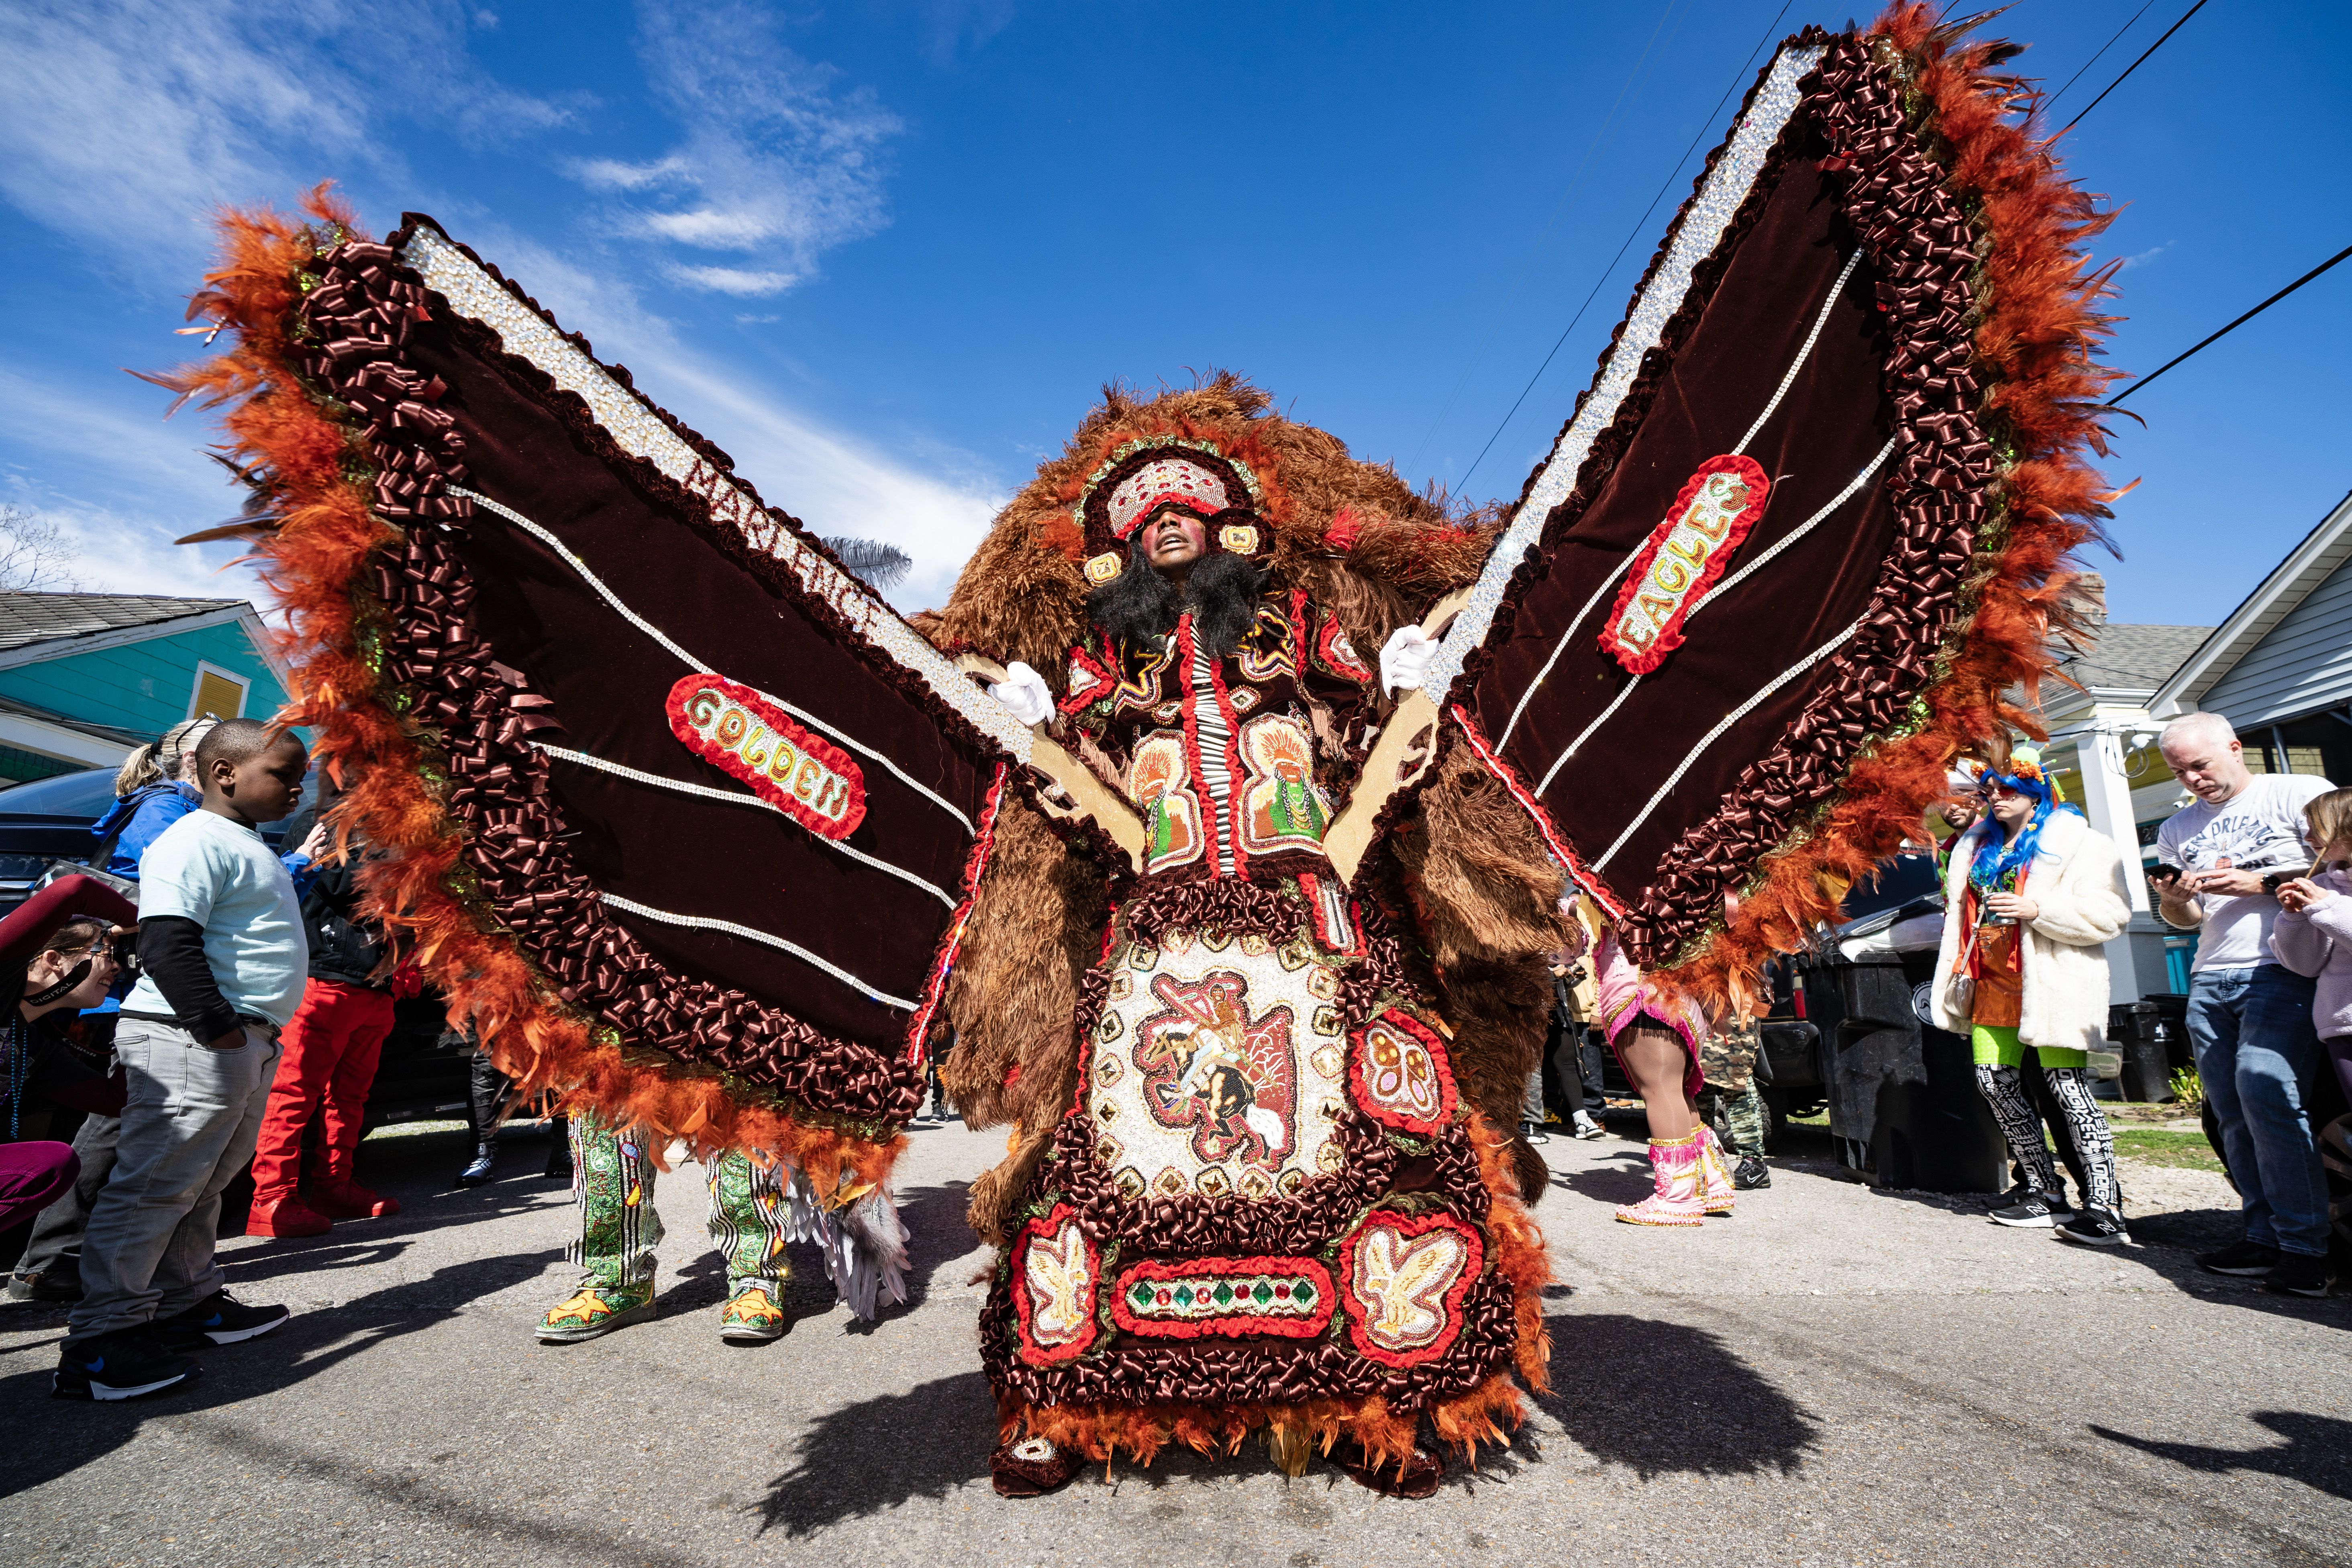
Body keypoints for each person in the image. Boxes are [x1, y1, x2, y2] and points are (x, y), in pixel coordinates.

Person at [947, 393, 1562, 1499]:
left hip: (1318, 922)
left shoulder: (1303, 633)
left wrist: (1404, 690)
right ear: (1117, 555)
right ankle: (1070, 1401)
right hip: (1157, 938)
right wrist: (1037, 732)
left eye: (1183, 513)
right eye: (1142, 525)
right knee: (1098, 1162)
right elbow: (1078, 810)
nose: (1163, 530)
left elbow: (1381, 749)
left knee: (1387, 1149)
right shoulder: (1104, 671)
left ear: (1233, 530)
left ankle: (1383, 1400)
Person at [54, 719, 307, 1401]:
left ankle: (186, 1303)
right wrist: (217, 1028)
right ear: (225, 774)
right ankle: (100, 1343)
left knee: (202, 1184)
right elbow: (168, 942)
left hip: (241, 1040)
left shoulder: (242, 842)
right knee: (155, 1187)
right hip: (192, 1039)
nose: (296, 788)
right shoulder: (192, 840)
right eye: (283, 775)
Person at [9, 720, 222, 1305]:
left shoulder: (169, 807)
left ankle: (54, 1261)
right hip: (146, 987)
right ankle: (52, 1260)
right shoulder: (166, 811)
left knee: (94, 1129)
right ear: (201, 764)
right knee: (105, 1129)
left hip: (129, 999)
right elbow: (102, 890)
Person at [2152, 713, 2336, 1296]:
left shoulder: (2299, 794)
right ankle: (2262, 1236)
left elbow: (2339, 870)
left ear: (2234, 748)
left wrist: (2258, 884)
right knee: (2231, 1111)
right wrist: (2176, 901)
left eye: (2200, 765)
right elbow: (2184, 919)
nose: (2193, 780)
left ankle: (2309, 1250)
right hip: (2210, 973)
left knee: (2268, 1092)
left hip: (2284, 967)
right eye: (2181, 772)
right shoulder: (2177, 828)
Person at [1929, 744, 2132, 1243]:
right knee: (1993, 1082)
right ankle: (2044, 1190)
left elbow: (2112, 914)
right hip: (1989, 981)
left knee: (2068, 1090)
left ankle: (2106, 1205)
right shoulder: (1973, 847)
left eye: (2008, 788)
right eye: (1990, 789)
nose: (1996, 796)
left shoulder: (2080, 841)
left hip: (2050, 980)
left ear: (2036, 791)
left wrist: (2036, 908)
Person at [245, 785, 407, 1237]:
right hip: (324, 978)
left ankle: (335, 1184)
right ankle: (271, 1200)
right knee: (293, 1095)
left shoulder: (399, 828)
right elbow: (348, 885)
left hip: (373, 984)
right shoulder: (328, 820)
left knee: (350, 1097)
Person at [0, 877, 138, 1234]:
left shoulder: (32, 1045)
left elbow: (116, 1100)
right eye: (107, 953)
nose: (117, 967)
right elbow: (73, 889)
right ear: (53, 959)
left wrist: (144, 1007)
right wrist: (152, 920)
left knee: (51, 1162)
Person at [2269, 785, 2352, 1296]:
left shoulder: (2332, 894)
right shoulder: (2325, 883)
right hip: (2341, 1026)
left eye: (2315, 826)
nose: (2307, 836)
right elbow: (2302, 963)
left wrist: (2325, 908)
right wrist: (2295, 916)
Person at [1594, 928, 1734, 1223]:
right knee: (1674, 1091)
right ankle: (1710, 1182)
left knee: (1660, 1090)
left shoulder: (1626, 886)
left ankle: (1677, 1198)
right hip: (1672, 994)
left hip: (1646, 994)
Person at [1695, 1015, 1771, 1190]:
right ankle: (1703, 1163)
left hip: (1731, 1009)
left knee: (1736, 1081)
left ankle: (1755, 1165)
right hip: (1704, 1009)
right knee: (1699, 1083)